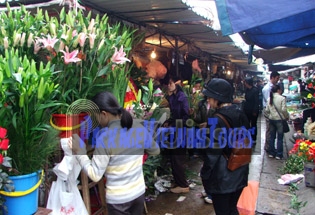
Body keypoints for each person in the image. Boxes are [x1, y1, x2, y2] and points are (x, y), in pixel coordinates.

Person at [68, 91, 160, 215]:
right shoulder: (138, 127)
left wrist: (80, 152)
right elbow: (155, 150)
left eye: (95, 117)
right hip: (138, 193)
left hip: (118, 202)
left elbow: (95, 175)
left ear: (104, 114)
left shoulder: (105, 138)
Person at [200, 78, 250, 215]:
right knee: (232, 209)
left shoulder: (217, 119)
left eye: (210, 98)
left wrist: (204, 174)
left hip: (223, 178)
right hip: (241, 171)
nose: (208, 101)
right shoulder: (240, 112)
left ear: (217, 98)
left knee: (222, 211)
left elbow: (212, 154)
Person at [163, 76, 190, 194]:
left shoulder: (181, 97)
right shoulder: (172, 97)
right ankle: (178, 182)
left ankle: (183, 185)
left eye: (170, 83)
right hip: (174, 130)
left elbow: (186, 116)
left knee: (178, 158)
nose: (169, 86)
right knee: (174, 158)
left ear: (176, 83)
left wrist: (174, 126)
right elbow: (173, 114)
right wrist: (168, 122)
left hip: (180, 131)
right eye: (168, 84)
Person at [264, 84, 289, 160]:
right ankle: (279, 154)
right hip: (279, 120)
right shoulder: (282, 98)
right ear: (278, 90)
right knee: (280, 138)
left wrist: (270, 116)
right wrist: (286, 116)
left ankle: (271, 153)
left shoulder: (269, 98)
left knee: (272, 137)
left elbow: (267, 110)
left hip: (271, 120)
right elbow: (284, 110)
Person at [262, 71, 280, 151]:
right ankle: (268, 147)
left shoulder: (273, 87)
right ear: (272, 77)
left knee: (271, 129)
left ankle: (270, 146)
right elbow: (268, 102)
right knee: (269, 129)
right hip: (268, 111)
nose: (277, 80)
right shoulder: (267, 89)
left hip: (271, 111)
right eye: (277, 78)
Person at [244, 77, 259, 144]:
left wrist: (255, 111)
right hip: (247, 110)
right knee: (246, 124)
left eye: (245, 83)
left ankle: (253, 138)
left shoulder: (255, 90)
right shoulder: (247, 90)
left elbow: (256, 101)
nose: (244, 84)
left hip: (253, 110)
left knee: (253, 124)